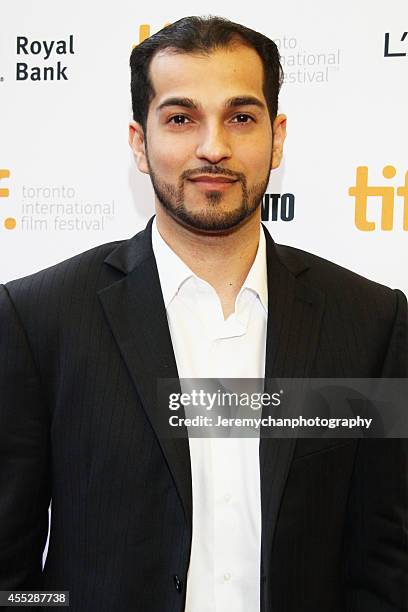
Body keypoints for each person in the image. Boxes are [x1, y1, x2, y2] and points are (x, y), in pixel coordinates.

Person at [0, 15, 407, 612]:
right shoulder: (38, 320)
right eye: (181, 118)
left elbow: (387, 561)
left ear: (277, 136)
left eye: (241, 118)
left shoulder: (371, 322)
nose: (213, 146)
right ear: (140, 142)